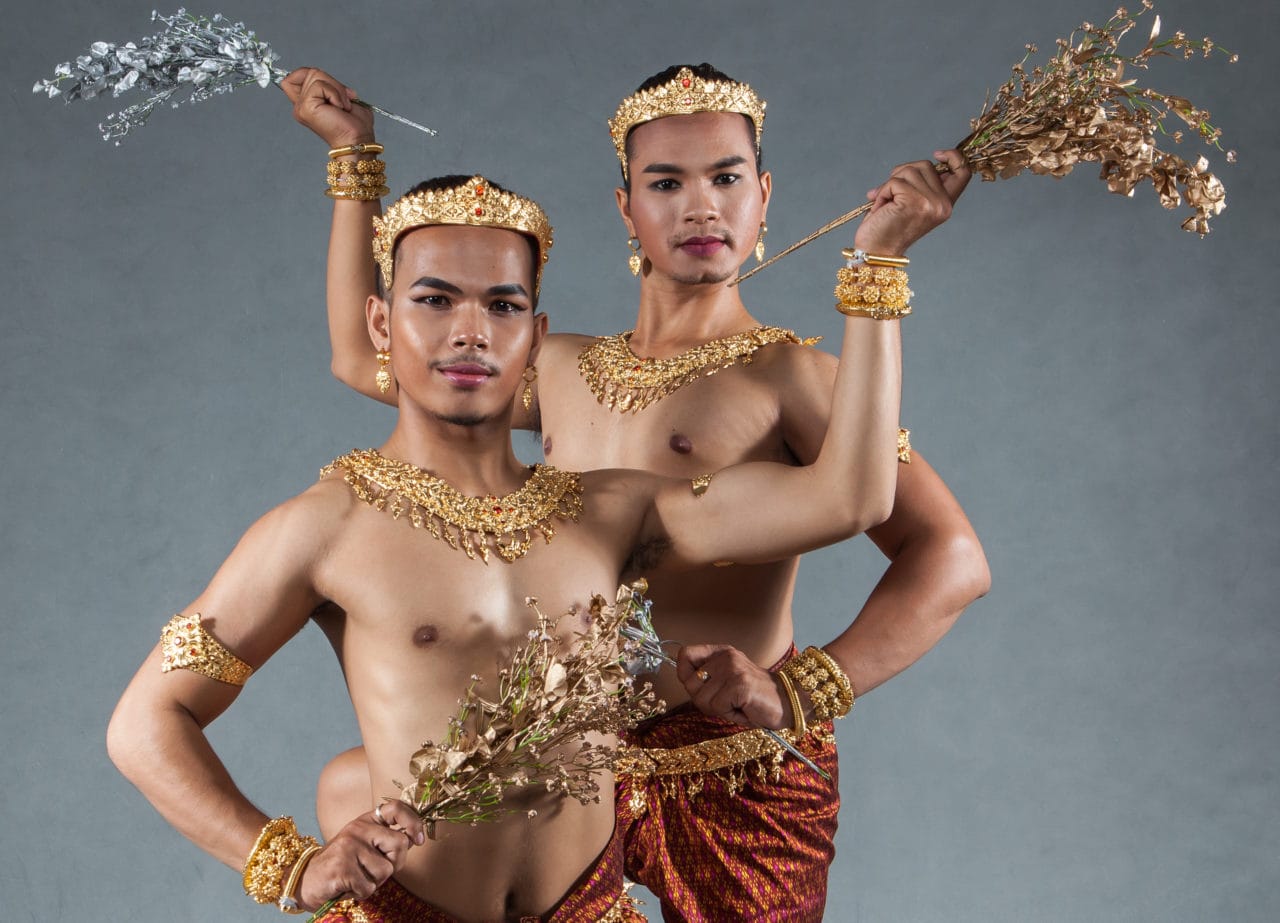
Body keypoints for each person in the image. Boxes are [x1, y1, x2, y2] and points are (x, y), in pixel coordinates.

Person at [285, 62, 990, 921]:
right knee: (351, 789)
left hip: (732, 767)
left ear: (764, 197)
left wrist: (801, 691)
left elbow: (950, 556)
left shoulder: (795, 376)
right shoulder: (560, 366)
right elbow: (368, 358)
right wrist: (354, 160)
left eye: (727, 178)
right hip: (574, 756)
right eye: (667, 182)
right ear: (627, 207)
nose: (702, 206)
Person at [107, 172, 906, 921]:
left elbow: (850, 494)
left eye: (501, 305)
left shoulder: (615, 511)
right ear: (382, 322)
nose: (469, 331)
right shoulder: (328, 527)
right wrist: (286, 867)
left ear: (535, 334)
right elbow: (147, 722)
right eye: (434, 299)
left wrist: (876, 273)